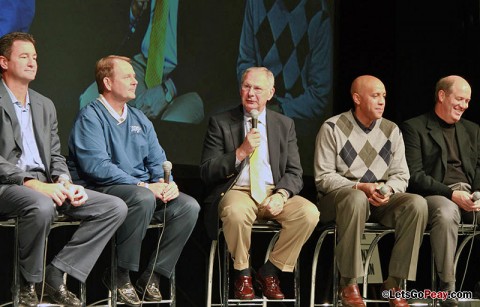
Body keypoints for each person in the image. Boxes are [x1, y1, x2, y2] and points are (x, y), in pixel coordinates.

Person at [0, 32, 127, 307]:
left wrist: (65, 180)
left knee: (114, 207)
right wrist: (32, 184)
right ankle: (28, 283)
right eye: (24, 57)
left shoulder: (45, 104)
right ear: (3, 62)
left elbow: (56, 155)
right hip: (8, 186)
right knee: (41, 206)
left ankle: (55, 275)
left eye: (34, 57)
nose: (32, 62)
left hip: (48, 185)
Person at [68, 55, 200, 305]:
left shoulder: (140, 119)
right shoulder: (91, 116)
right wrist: (143, 185)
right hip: (104, 189)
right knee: (142, 197)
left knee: (187, 206)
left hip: (143, 190)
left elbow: (157, 161)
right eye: (128, 76)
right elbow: (96, 166)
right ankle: (120, 274)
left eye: (134, 76)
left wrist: (167, 183)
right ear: (107, 82)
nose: (136, 81)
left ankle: (153, 275)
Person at [200, 66, 319, 300]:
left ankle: (270, 270)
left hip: (272, 192)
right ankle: (243, 274)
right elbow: (207, 170)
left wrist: (282, 194)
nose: (251, 93)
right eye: (246, 87)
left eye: (257, 88)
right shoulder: (221, 122)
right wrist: (240, 152)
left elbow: (295, 172)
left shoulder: (284, 124)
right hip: (238, 190)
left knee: (309, 213)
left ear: (271, 93)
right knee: (235, 212)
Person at [314, 75, 428, 307]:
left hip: (378, 199)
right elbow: (323, 178)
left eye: (384, 96)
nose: (381, 101)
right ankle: (349, 283)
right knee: (356, 198)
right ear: (357, 98)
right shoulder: (332, 127)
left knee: (417, 204)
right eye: (375, 95)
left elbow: (401, 175)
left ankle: (395, 283)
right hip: (339, 200)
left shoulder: (391, 130)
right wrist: (359, 187)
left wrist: (387, 190)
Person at [401, 75, 479, 306]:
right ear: (442, 95)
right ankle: (447, 289)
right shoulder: (414, 127)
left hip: (469, 193)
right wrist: (451, 194)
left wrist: (477, 192)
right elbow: (414, 175)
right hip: (436, 195)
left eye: (467, 101)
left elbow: (478, 167)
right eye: (459, 99)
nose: (464, 105)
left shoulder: (473, 130)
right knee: (447, 213)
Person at [79, 0, 204, 124]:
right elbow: (115, 27)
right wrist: (134, 12)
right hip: (144, 63)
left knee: (172, 124)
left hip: (188, 81)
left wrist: (168, 90)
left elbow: (208, 55)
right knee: (92, 102)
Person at [237, 0, 332, 120]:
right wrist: (257, 104)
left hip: (295, 116)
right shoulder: (256, 3)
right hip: (256, 108)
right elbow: (245, 64)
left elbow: (319, 94)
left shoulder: (317, 11)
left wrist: (280, 111)